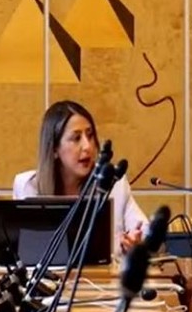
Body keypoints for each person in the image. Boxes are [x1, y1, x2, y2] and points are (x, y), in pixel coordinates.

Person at [12, 101, 146, 253]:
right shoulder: (29, 187)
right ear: (54, 148)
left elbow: (147, 234)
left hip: (104, 276)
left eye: (90, 136)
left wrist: (136, 241)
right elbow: (22, 251)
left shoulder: (113, 183)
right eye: (76, 138)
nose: (87, 146)